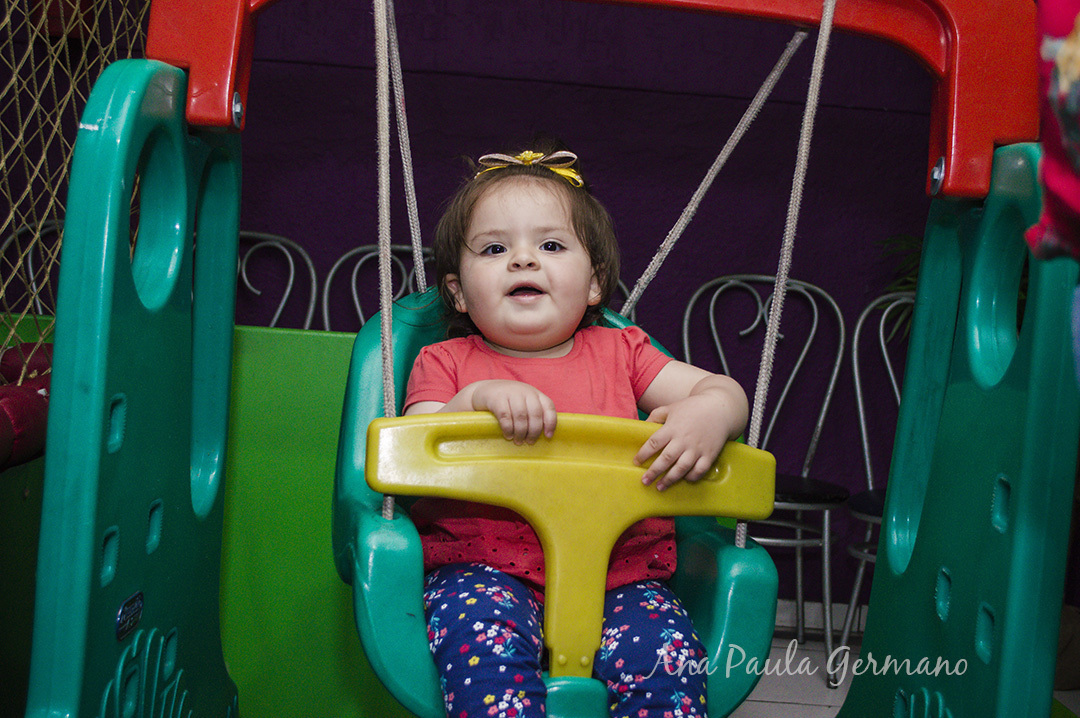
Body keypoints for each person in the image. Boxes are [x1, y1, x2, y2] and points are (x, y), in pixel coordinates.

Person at [403, 142, 749, 718]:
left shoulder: (624, 352)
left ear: (594, 284)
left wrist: (710, 411)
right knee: (483, 661)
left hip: (621, 576)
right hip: (480, 572)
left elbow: (724, 391)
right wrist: (474, 402)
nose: (523, 260)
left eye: (551, 245)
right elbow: (415, 453)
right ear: (458, 293)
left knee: (666, 666)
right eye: (494, 248)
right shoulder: (445, 363)